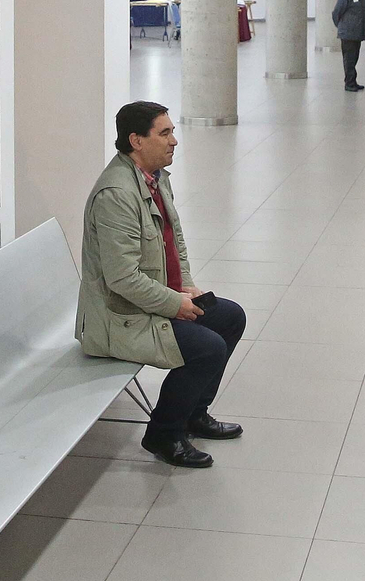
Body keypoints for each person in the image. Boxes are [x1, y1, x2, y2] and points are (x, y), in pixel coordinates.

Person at [77, 101, 248, 468]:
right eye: (165, 133)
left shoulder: (154, 178)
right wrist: (174, 304)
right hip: (118, 318)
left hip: (148, 303)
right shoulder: (117, 195)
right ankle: (163, 434)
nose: (175, 141)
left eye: (173, 132)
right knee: (207, 347)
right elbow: (121, 278)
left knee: (230, 317)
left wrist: (185, 286)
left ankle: (193, 414)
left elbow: (174, 241)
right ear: (136, 140)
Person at [332, 0, 365, 91]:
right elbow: (336, 13)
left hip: (357, 33)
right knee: (349, 59)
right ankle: (349, 83)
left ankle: (353, 81)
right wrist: (342, 26)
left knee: (354, 58)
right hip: (348, 33)